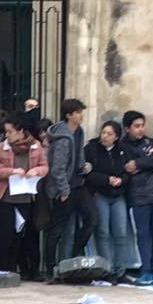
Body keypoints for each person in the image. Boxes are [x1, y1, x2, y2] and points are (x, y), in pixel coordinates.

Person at [0, 114, 48, 274]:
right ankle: (2, 267)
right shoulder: (1, 147)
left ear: (20, 131)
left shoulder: (35, 146)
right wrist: (11, 171)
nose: (7, 135)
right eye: (6, 132)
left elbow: (45, 166)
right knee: (6, 233)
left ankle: (15, 268)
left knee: (19, 234)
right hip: (5, 196)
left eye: (10, 131)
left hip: (26, 196)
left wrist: (36, 171)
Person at [121, 110, 153, 286]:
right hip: (137, 195)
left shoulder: (150, 142)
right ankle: (145, 270)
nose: (141, 129)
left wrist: (139, 163)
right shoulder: (122, 146)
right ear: (127, 128)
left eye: (142, 125)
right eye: (136, 126)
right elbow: (126, 168)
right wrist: (149, 161)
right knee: (142, 234)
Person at [44, 98, 89, 282]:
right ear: (69, 115)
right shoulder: (62, 138)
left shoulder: (79, 131)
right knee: (57, 230)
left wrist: (85, 167)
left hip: (78, 184)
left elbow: (78, 158)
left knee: (91, 218)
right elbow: (57, 169)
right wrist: (63, 190)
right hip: (64, 188)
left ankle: (75, 257)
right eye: (77, 112)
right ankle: (50, 269)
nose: (81, 116)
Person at [84, 120, 131, 282]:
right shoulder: (91, 149)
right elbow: (87, 173)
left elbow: (129, 171)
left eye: (109, 134)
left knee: (121, 233)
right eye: (103, 132)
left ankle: (120, 271)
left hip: (118, 195)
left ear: (116, 137)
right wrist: (106, 179)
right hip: (100, 194)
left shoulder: (123, 150)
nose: (105, 136)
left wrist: (121, 180)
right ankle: (107, 270)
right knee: (103, 233)